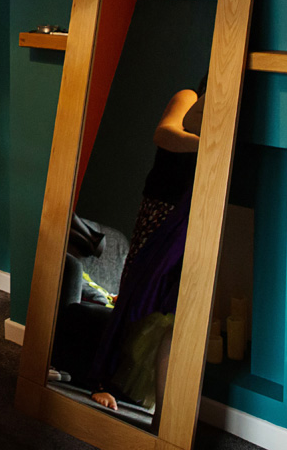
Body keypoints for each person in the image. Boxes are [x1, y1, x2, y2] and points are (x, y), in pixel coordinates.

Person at [88, 79, 206, 431]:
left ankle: (165, 413)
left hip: (198, 212)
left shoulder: (236, 114)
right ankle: (99, 379)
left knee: (175, 308)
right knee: (138, 294)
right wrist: (209, 145)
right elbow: (165, 133)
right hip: (162, 207)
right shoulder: (190, 97)